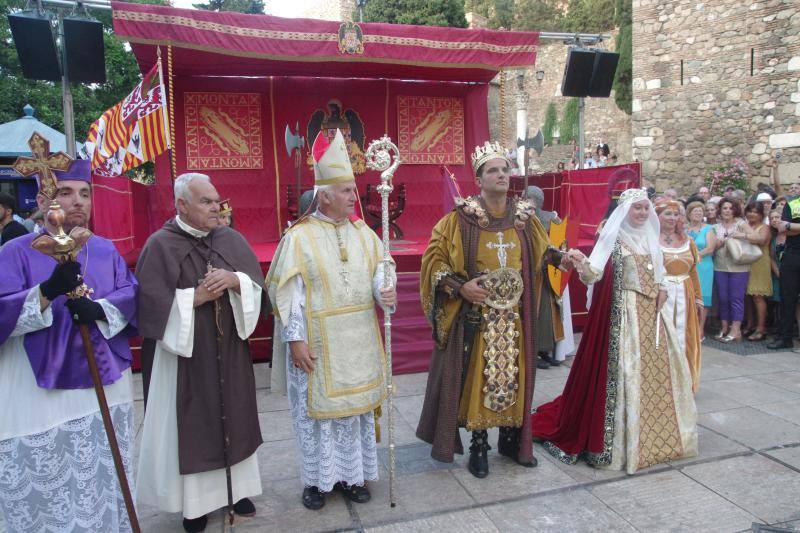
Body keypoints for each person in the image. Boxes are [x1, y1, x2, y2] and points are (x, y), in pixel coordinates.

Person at [416, 140, 582, 478]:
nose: (502, 175)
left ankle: (511, 440)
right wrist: (461, 287)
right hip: (480, 318)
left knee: (516, 378)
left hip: (516, 317)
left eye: (506, 169)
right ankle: (480, 445)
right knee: (483, 380)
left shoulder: (523, 218)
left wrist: (562, 257)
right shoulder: (460, 218)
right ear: (479, 179)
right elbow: (433, 261)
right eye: (494, 170)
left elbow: (543, 251)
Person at [0, 159, 139, 532]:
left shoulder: (105, 250)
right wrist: (45, 292)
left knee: (106, 481)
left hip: (105, 388)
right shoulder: (14, 251)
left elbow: (130, 294)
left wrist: (99, 308)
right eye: (65, 193)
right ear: (44, 200)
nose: (77, 202)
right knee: (53, 498)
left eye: (85, 194)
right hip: (38, 396)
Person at [266, 130, 396, 510]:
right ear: (324, 195)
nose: (354, 197)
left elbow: (379, 270)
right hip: (317, 342)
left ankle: (353, 478)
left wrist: (384, 289)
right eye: (345, 191)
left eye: (353, 190)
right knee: (316, 419)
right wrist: (295, 340)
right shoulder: (299, 237)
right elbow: (288, 293)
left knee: (354, 414)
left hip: (357, 339)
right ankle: (317, 482)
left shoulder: (364, 233)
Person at [532, 188, 698, 474]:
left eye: (646, 209)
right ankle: (622, 440)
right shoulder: (614, 239)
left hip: (652, 319)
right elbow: (592, 274)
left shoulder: (651, 239)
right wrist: (580, 261)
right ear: (624, 212)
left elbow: (659, 273)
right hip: (625, 317)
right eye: (637, 209)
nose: (643, 214)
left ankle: (658, 438)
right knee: (627, 374)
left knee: (657, 375)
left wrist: (660, 289)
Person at [136, 173, 264, 533]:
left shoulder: (230, 239)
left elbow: (258, 286)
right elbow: (148, 307)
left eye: (217, 200)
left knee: (236, 415)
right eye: (206, 201)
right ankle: (194, 506)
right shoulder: (160, 245)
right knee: (195, 424)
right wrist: (195, 297)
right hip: (186, 360)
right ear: (181, 205)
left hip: (230, 350)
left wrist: (236, 281)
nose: (216, 207)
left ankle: (237, 490)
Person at [524, 185, 575, 369]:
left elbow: (561, 239)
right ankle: (533, 352)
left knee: (549, 313)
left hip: (550, 271)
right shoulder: (522, 218)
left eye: (536, 199)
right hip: (531, 274)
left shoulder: (551, 218)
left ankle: (545, 351)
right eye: (529, 198)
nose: (533, 202)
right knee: (534, 313)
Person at [658, 200, 703, 391]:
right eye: (667, 214)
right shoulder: (650, 240)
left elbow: (693, 272)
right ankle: (663, 384)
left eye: (676, 214)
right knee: (663, 339)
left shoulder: (688, 242)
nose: (672, 218)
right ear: (658, 215)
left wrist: (699, 298)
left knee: (686, 337)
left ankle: (684, 383)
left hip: (685, 293)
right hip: (661, 294)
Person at [713, 198, 753, 342]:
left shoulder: (741, 224)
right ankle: (724, 327)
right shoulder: (716, 227)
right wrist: (719, 243)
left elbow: (756, 237)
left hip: (739, 267)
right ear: (720, 210)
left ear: (735, 210)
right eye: (724, 208)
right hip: (720, 265)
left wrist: (740, 235)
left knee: (736, 299)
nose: (727, 211)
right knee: (723, 298)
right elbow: (712, 247)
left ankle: (736, 330)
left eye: (730, 208)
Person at [768, 192, 800, 349]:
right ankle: (785, 338)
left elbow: (790, 227)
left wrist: (793, 226)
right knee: (787, 298)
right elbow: (783, 228)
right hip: (793, 255)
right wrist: (788, 226)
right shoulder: (793, 203)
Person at [741, 202, 772, 341]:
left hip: (760, 264)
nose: (752, 214)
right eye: (749, 211)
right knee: (747, 296)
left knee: (758, 296)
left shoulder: (764, 227)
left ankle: (761, 328)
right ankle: (750, 323)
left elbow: (762, 240)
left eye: (755, 212)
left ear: (761, 214)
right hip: (745, 263)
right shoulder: (746, 225)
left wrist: (743, 235)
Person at [686, 201, 716, 340]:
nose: (698, 213)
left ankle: (700, 328)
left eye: (700, 211)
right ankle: (689, 327)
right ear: (689, 213)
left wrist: (695, 256)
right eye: (695, 211)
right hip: (688, 266)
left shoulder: (709, 229)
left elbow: (710, 248)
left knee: (703, 297)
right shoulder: (685, 229)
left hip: (704, 266)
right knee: (689, 296)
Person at [768, 209, 786, 334]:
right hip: (778, 273)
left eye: (777, 217)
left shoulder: (793, 235)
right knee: (778, 301)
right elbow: (772, 258)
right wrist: (778, 272)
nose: (775, 220)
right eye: (772, 218)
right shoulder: (773, 237)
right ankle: (779, 329)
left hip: (793, 271)